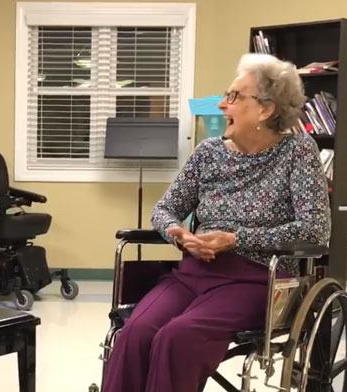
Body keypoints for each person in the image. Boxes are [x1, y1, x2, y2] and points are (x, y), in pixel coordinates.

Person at [102, 53, 331, 392]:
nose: (223, 105)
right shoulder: (208, 153)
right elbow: (164, 209)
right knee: (135, 332)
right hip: (193, 273)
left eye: (235, 97)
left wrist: (235, 240)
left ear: (265, 110)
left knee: (176, 337)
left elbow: (315, 229)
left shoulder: (297, 151)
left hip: (256, 279)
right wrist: (178, 235)